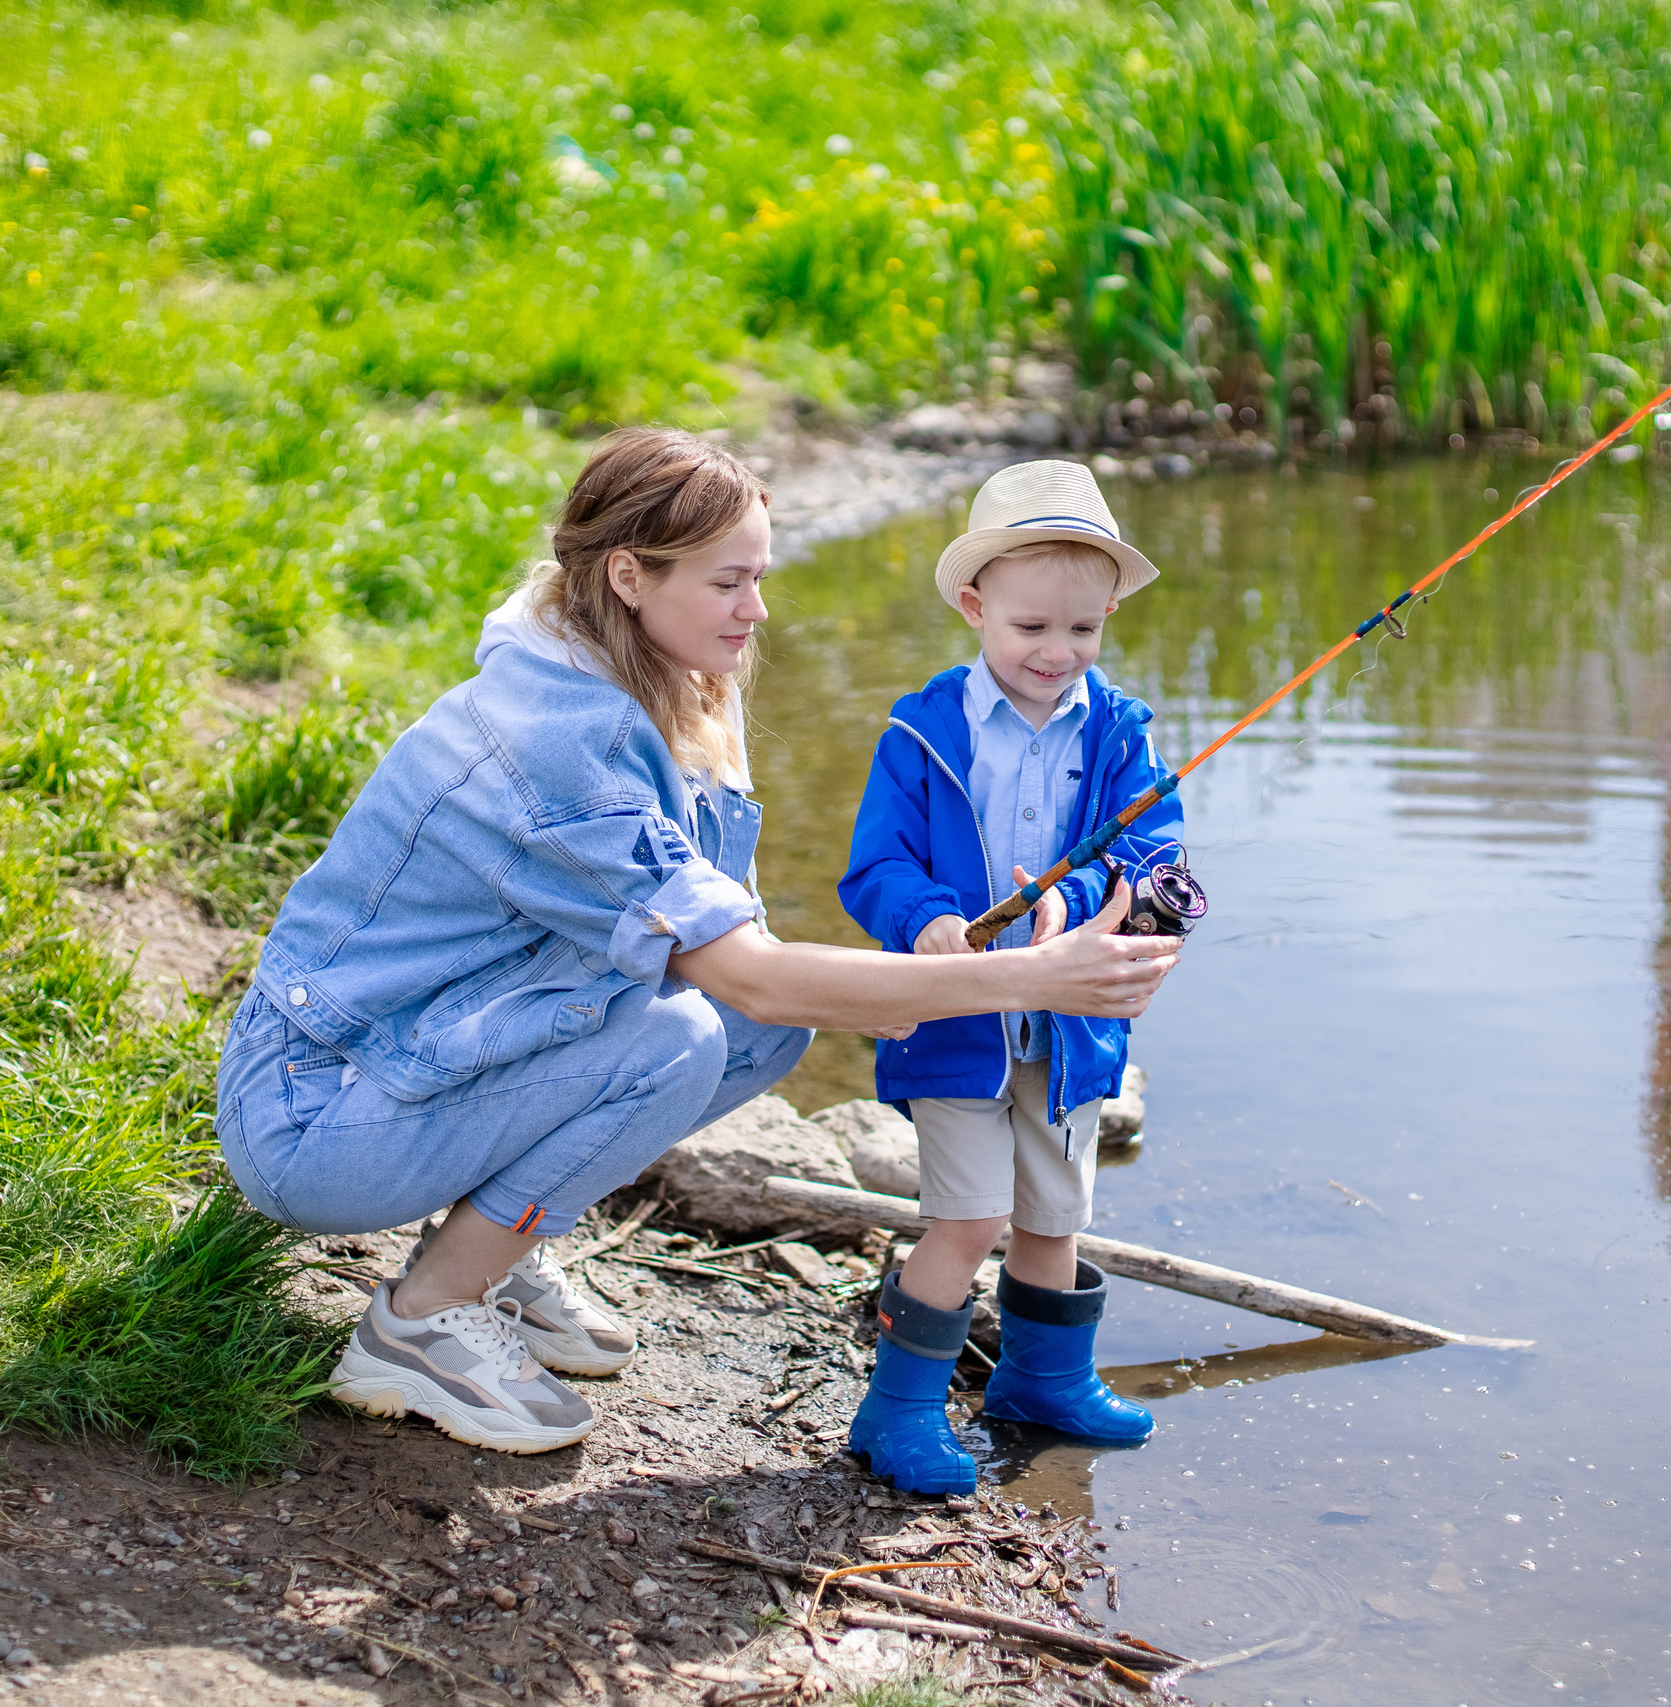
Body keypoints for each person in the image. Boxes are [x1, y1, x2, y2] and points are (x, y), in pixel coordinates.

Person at [215, 430, 1181, 1457]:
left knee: (765, 1036)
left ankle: (496, 1244)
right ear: (629, 576)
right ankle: (417, 1324)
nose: (757, 609)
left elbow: (744, 952)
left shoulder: (666, 677)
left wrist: (1047, 938)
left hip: (433, 1053)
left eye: (758, 577)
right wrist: (1023, 974)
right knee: (689, 1033)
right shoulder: (560, 742)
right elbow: (751, 971)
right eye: (730, 582)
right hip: (318, 1119)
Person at [835, 459, 1185, 1496]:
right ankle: (894, 1412)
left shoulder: (1121, 734)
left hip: (1070, 1027)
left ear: (1110, 613)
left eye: (1082, 631)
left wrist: (1074, 908)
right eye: (1031, 628)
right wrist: (927, 918)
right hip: (952, 1024)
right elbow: (875, 866)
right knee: (968, 1218)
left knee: (1053, 1214)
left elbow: (1158, 864)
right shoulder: (919, 731)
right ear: (973, 606)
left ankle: (1042, 1382)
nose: (1057, 652)